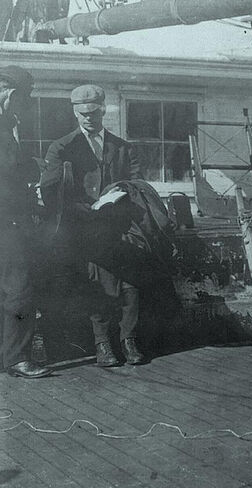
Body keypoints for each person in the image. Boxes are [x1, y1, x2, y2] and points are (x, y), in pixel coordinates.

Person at [41, 84, 145, 367]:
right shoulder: (62, 147)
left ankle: (129, 340)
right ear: (75, 113)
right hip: (83, 231)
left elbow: (138, 186)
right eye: (83, 113)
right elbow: (51, 193)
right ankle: (103, 345)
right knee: (96, 284)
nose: (89, 118)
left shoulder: (124, 148)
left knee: (131, 283)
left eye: (95, 112)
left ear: (104, 110)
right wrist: (84, 209)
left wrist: (120, 198)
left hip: (121, 227)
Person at [0, 65, 52, 378]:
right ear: (13, 95)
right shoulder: (5, 124)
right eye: (23, 100)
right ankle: (17, 358)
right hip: (8, 221)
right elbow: (8, 168)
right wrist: (32, 166)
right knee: (19, 286)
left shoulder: (8, 123)